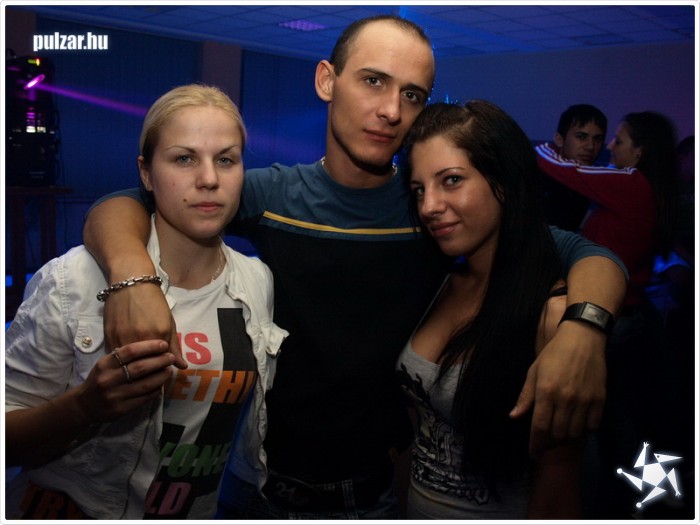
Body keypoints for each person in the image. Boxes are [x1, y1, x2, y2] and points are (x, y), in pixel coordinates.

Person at [83, 15, 627, 519]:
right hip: (258, 487)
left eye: (411, 95)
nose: (392, 110)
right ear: (327, 80)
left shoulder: (429, 209)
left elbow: (586, 254)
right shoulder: (273, 194)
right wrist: (133, 277)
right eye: (373, 81)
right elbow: (126, 203)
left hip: (375, 494)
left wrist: (584, 329)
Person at [4, 84, 287, 519]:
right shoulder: (73, 279)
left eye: (226, 159)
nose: (209, 179)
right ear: (147, 174)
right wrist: (83, 408)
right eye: (184, 159)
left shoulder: (255, 280)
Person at [396, 100, 584, 519]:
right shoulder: (440, 283)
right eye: (419, 189)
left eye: (451, 180)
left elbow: (558, 485)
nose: (428, 206)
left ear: (504, 181)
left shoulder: (553, 315)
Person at [536, 111, 682, 518]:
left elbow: (553, 164)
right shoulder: (651, 188)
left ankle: (634, 504)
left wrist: (546, 147)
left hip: (608, 321)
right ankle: (655, 499)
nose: (607, 147)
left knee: (596, 422)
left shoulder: (631, 182)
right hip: (627, 318)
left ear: (639, 151)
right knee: (615, 417)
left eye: (616, 140)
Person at [541, 104, 608, 232]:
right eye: (581, 137)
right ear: (559, 139)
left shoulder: (590, 180)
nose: (590, 146)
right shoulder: (540, 174)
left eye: (597, 139)